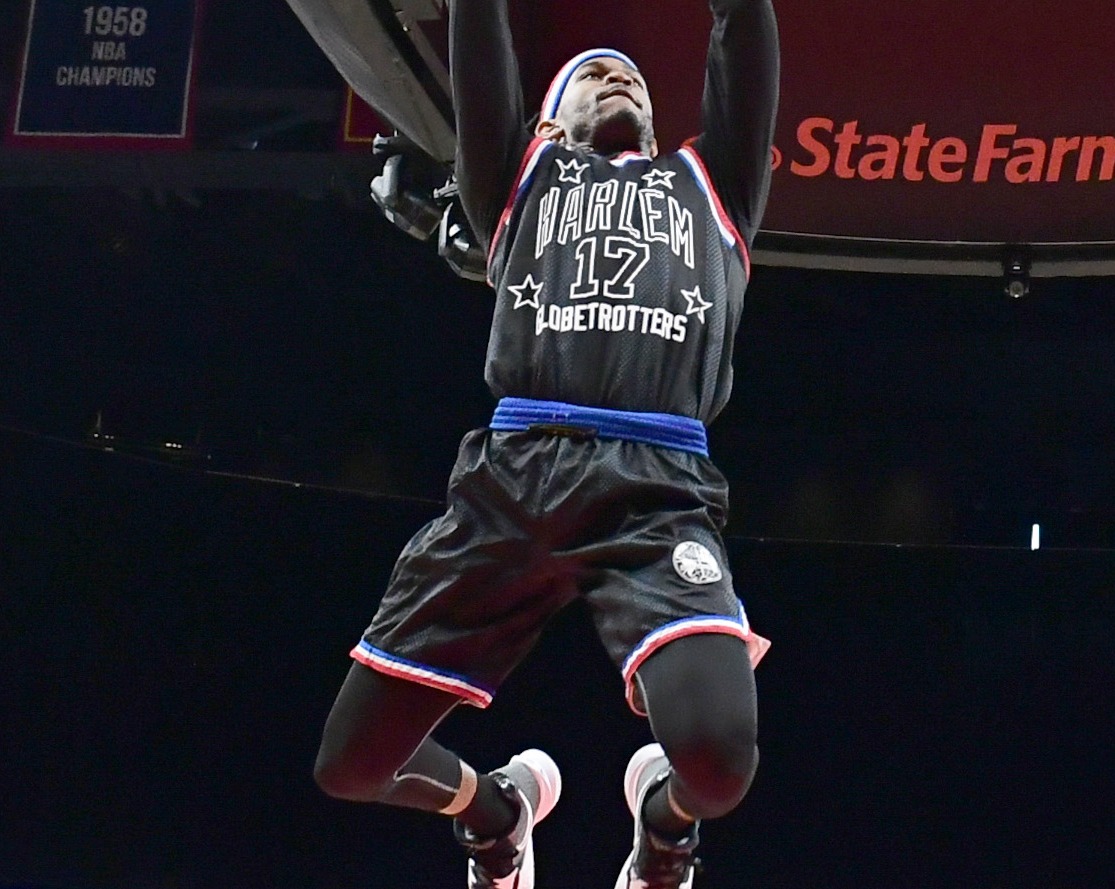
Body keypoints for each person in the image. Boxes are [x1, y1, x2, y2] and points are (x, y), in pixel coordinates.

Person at [310, 1, 779, 888]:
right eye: (593, 75)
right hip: (513, 480)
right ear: (548, 125)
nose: (618, 79)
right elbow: (481, 50)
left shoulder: (711, 184)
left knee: (720, 765)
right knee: (352, 766)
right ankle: (495, 813)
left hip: (656, 486)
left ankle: (663, 828)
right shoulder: (518, 179)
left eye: (631, 78)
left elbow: (745, 38)